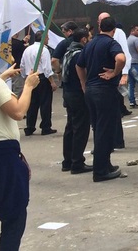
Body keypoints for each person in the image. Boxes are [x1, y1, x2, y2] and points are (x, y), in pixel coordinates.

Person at [0, 65, 39, 250]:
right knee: (14, 217)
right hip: (2, 157)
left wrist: (2, 78)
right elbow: (18, 112)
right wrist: (28, 86)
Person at [76, 16, 126, 182]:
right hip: (104, 90)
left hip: (90, 90)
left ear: (99, 28)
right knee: (106, 130)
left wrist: (84, 84)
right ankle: (101, 171)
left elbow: (79, 65)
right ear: (114, 30)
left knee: (98, 128)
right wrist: (114, 72)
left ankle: (106, 163)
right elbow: (121, 58)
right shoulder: (111, 43)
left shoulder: (90, 44)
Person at [61, 28, 92, 175]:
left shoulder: (68, 52)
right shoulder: (80, 54)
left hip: (67, 93)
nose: (90, 40)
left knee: (70, 127)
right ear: (84, 39)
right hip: (78, 94)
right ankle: (77, 162)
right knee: (81, 128)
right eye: (89, 37)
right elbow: (84, 73)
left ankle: (67, 161)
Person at [98, 12, 131, 150]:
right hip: (100, 81)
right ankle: (107, 140)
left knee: (115, 111)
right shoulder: (96, 39)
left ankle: (116, 140)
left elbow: (124, 55)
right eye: (100, 20)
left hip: (113, 77)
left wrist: (122, 74)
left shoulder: (118, 33)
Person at [20, 31, 58, 136]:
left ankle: (30, 127)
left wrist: (25, 78)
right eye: (47, 37)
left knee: (32, 104)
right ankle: (46, 127)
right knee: (45, 103)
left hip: (30, 76)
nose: (48, 40)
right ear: (44, 38)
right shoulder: (44, 50)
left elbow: (22, 65)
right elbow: (46, 68)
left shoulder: (27, 49)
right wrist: (52, 82)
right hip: (42, 78)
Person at [10, 32, 30, 97]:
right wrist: (26, 46)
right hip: (17, 70)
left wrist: (23, 41)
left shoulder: (6, 43)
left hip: (7, 70)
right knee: (18, 90)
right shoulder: (18, 44)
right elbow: (24, 53)